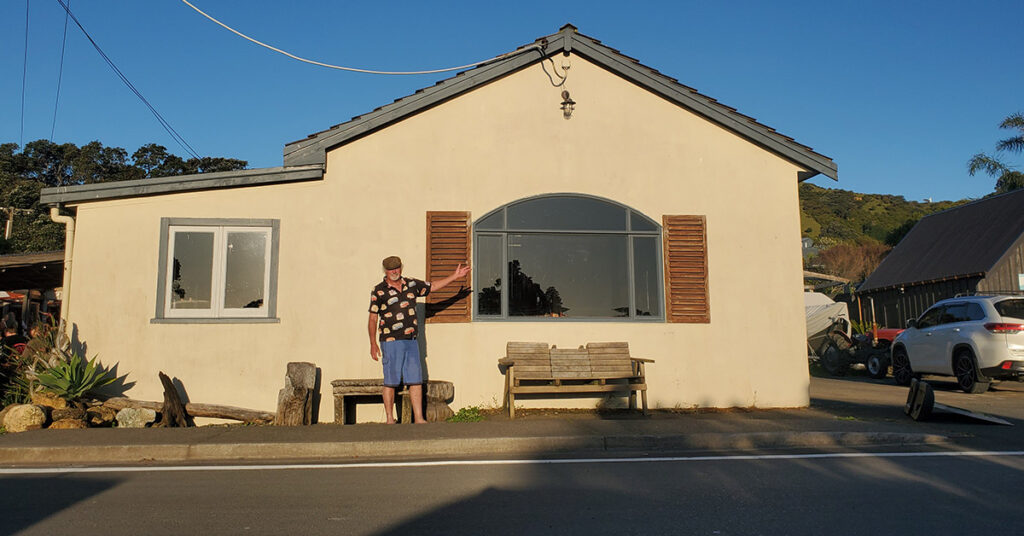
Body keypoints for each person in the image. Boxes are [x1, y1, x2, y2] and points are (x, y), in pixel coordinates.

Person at [368, 255, 470, 424]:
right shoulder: (379, 290)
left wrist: (454, 276)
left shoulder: (411, 284)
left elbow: (433, 286)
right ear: (385, 271)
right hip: (390, 341)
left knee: (415, 379)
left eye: (397, 268)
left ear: (401, 267)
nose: (394, 271)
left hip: (411, 340)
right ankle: (389, 418)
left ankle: (419, 418)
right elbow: (372, 319)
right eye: (391, 269)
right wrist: (373, 343)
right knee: (391, 381)